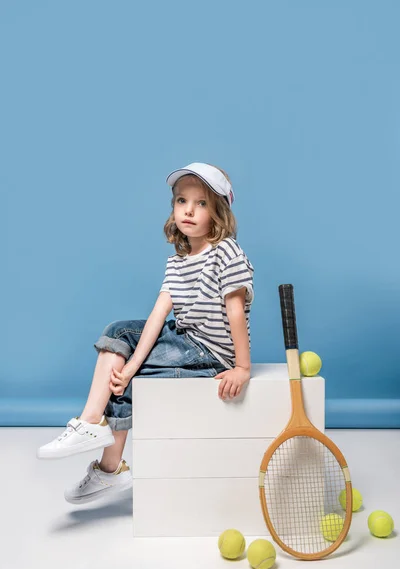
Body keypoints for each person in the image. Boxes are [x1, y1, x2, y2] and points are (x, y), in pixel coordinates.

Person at [37, 162, 255, 505]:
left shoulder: (226, 251)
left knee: (127, 369)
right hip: (183, 339)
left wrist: (242, 367)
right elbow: (157, 316)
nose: (189, 210)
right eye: (182, 201)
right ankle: (99, 441)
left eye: (201, 204)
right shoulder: (177, 262)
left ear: (217, 213)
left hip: (210, 352)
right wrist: (129, 367)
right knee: (119, 343)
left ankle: (102, 452)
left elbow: (235, 310)